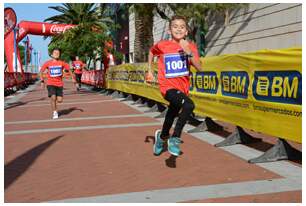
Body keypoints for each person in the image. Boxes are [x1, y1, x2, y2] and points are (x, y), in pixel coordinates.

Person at [146, 15, 203, 156]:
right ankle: (175, 138)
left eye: (182, 27)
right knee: (189, 105)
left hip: (182, 89)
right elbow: (151, 52)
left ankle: (162, 136)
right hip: (167, 87)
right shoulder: (163, 45)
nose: (178, 29)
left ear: (186, 31)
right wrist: (149, 70)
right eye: (175, 26)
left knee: (172, 112)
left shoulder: (191, 47)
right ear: (169, 29)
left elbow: (200, 68)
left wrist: (188, 52)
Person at [40, 48, 75, 119]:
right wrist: (42, 81)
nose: (56, 54)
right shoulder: (47, 63)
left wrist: (73, 78)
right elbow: (41, 72)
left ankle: (55, 103)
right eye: (55, 53)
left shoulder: (62, 63)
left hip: (59, 84)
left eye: (58, 53)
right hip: (50, 83)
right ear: (52, 55)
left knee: (59, 100)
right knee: (53, 97)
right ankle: (54, 112)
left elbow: (69, 70)